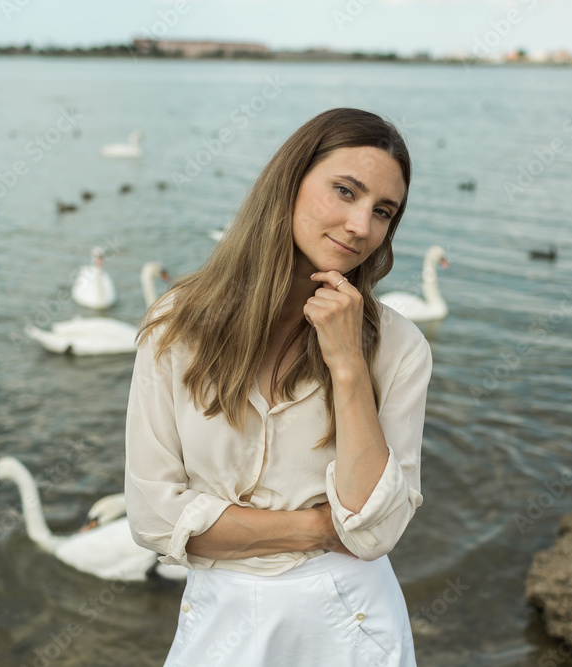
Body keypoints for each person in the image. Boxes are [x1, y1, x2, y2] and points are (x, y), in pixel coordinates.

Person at [125, 108, 431, 666]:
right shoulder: (175, 326)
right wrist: (322, 526)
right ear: (289, 182)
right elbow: (152, 517)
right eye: (345, 191)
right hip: (217, 619)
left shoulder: (400, 349)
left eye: (383, 211)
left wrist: (347, 365)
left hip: (350, 626)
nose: (362, 226)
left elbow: (377, 532)